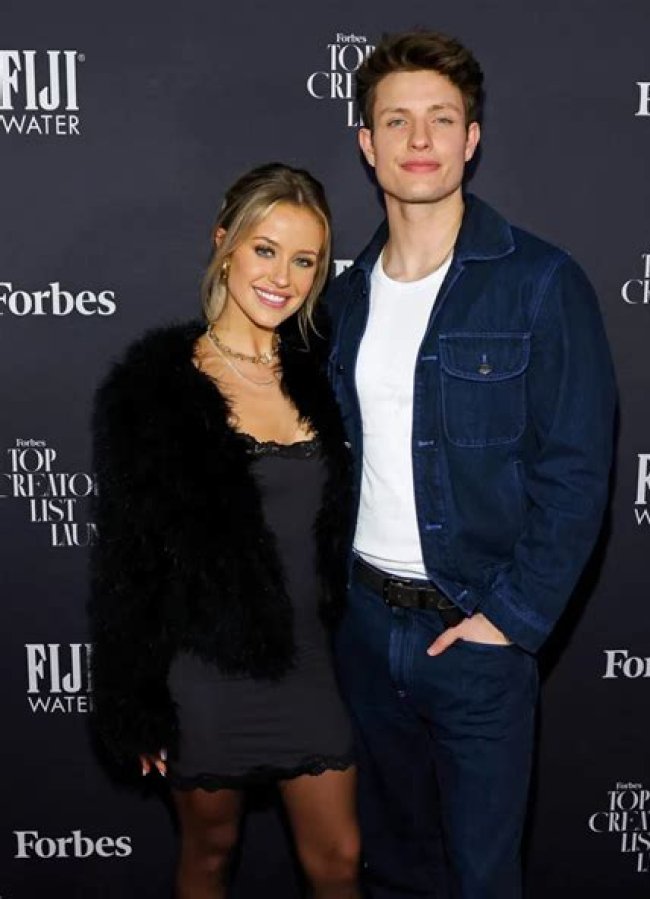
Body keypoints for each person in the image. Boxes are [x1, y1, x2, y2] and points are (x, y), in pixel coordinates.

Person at [325, 31, 616, 899]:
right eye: (397, 120)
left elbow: (577, 471)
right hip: (363, 630)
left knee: (484, 880)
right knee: (394, 873)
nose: (420, 139)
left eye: (441, 119)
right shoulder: (342, 297)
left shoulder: (542, 282)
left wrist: (509, 621)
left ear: (472, 137)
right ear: (367, 143)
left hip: (475, 636)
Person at [88, 163, 361, 899]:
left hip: (311, 661)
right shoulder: (158, 388)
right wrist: (134, 697)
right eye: (265, 250)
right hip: (203, 668)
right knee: (210, 853)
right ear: (224, 244)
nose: (282, 277)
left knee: (340, 861)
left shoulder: (328, 372)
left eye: (304, 260)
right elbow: (128, 558)